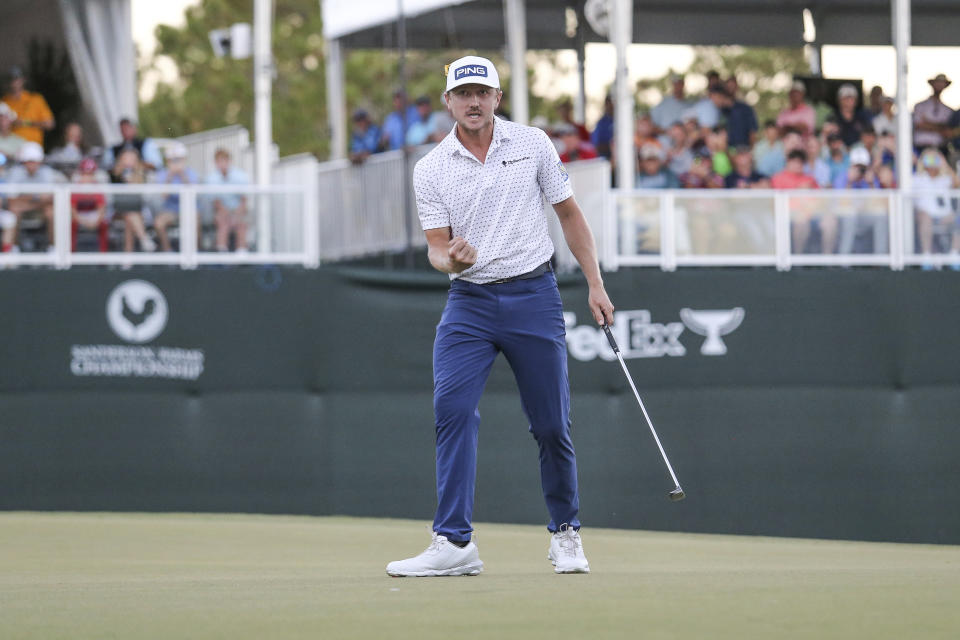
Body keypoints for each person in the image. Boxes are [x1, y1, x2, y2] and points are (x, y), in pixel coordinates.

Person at [387, 55, 614, 578]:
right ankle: (454, 542)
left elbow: (569, 214)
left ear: (496, 97)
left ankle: (565, 533)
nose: (472, 102)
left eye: (482, 92)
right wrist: (451, 260)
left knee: (552, 422)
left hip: (535, 294)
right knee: (453, 411)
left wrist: (596, 284)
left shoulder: (533, 143)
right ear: (448, 102)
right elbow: (436, 250)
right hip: (469, 303)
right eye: (462, 94)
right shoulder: (431, 169)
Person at [3, 142, 65, 251]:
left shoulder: (47, 172)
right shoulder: (16, 173)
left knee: (51, 212)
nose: (32, 164)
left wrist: (26, 199)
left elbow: (50, 199)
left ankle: (53, 248)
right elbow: (11, 201)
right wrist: (36, 198)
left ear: (40, 162)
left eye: (35, 161)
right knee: (14, 211)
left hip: (36, 208)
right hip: (26, 208)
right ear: (24, 162)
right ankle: (14, 248)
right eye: (29, 161)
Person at [912, 148, 960, 265]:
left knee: (958, 218)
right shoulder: (917, 178)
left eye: (935, 159)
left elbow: (957, 183)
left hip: (944, 216)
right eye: (929, 159)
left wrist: (945, 165)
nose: (932, 162)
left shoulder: (945, 178)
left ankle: (954, 254)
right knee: (925, 217)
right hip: (925, 216)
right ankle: (926, 257)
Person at [152, 142, 199, 252]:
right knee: (159, 223)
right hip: (171, 209)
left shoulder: (191, 173)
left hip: (189, 209)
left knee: (195, 219)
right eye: (173, 160)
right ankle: (167, 250)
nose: (175, 162)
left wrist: (182, 174)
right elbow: (164, 195)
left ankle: (194, 251)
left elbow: (193, 194)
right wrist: (170, 176)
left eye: (178, 159)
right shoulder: (163, 174)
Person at [205, 148, 250, 252]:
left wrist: (236, 214)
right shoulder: (212, 178)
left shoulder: (240, 176)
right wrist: (229, 215)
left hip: (239, 210)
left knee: (241, 223)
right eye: (219, 161)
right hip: (222, 211)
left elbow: (244, 200)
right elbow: (216, 203)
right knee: (223, 222)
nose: (222, 164)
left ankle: (241, 252)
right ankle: (222, 251)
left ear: (229, 161)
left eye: (224, 160)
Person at [111, 148, 155, 253]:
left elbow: (145, 197)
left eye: (132, 158)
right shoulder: (114, 174)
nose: (129, 160)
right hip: (117, 209)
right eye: (126, 157)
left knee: (129, 218)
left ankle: (128, 258)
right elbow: (113, 195)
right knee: (129, 214)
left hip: (137, 209)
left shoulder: (142, 174)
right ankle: (144, 238)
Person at [2, 66, 54, 146]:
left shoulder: (35, 99)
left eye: (16, 79)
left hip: (31, 144)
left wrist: (25, 123)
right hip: (9, 144)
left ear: (23, 80)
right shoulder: (3, 102)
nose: (14, 82)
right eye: (11, 79)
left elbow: (49, 124)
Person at [70, 157, 109, 252]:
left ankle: (103, 256)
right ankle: (71, 254)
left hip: (93, 214)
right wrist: (82, 221)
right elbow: (72, 210)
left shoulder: (97, 187)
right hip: (79, 215)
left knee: (104, 224)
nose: (87, 177)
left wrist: (96, 221)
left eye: (90, 174)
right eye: (85, 174)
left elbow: (101, 209)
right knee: (71, 224)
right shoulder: (76, 187)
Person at [913, 73, 954, 157]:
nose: (939, 86)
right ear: (933, 84)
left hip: (940, 149)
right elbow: (919, 125)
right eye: (938, 83)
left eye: (942, 83)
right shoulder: (920, 106)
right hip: (921, 148)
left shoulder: (948, 110)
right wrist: (941, 127)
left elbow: (948, 131)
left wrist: (927, 123)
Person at [590, 95, 614, 159]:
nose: (611, 106)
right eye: (609, 104)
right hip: (607, 157)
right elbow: (596, 146)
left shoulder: (624, 121)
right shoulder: (601, 123)